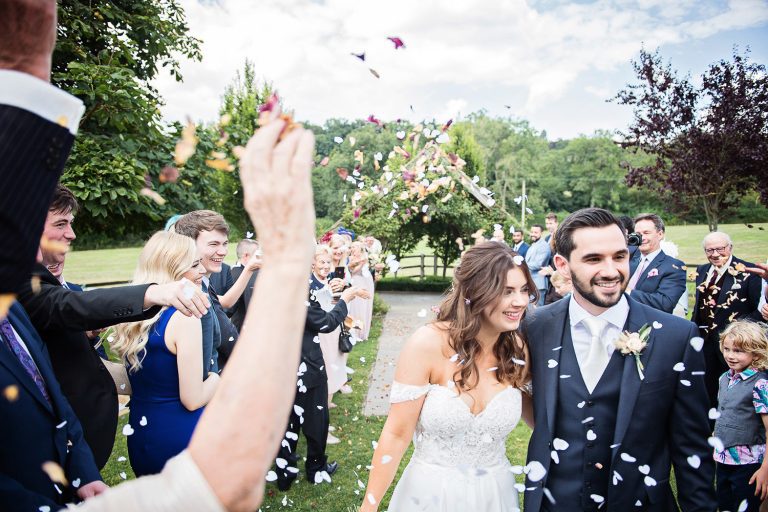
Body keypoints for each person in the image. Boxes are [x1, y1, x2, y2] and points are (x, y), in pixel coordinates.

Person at [3, 3, 315, 510]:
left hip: (93, 460)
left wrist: (80, 470)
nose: (73, 236)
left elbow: (56, 365)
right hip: (171, 437)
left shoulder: (15, 298)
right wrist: (290, 253)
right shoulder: (179, 311)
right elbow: (230, 480)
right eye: (60, 224)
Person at [524, 207, 716, 511]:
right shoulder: (534, 328)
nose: (611, 270)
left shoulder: (676, 337)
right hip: (554, 502)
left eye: (619, 256)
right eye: (593, 259)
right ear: (562, 264)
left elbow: (693, 450)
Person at [16, 184, 211, 469]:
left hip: (106, 441)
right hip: (51, 446)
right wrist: (154, 293)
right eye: (61, 224)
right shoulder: (19, 281)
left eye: (70, 223)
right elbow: (67, 305)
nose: (71, 234)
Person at [360, 241, 535, 512]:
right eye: (507, 291)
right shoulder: (427, 344)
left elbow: (542, 421)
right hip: (430, 494)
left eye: (524, 290)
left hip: (495, 495)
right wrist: (368, 508)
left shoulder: (517, 349)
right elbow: (396, 434)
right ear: (476, 292)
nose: (520, 301)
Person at [111, 231, 220, 477]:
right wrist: (217, 379)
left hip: (143, 433)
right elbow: (192, 398)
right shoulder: (184, 317)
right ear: (172, 270)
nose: (202, 270)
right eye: (194, 265)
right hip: (181, 436)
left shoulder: (134, 315)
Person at [274, 245, 368, 490]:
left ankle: (284, 473)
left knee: (286, 421)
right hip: (308, 365)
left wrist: (326, 291)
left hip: (282, 366)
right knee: (317, 420)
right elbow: (324, 322)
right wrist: (345, 300)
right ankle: (316, 469)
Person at [173, 210, 257, 372]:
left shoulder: (204, 283)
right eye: (213, 244)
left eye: (225, 244)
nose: (223, 251)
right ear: (188, 246)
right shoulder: (186, 294)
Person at [692, 231, 764, 407]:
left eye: (720, 249)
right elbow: (699, 307)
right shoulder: (702, 271)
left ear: (730, 248)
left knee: (733, 391)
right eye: (710, 250)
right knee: (706, 388)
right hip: (705, 342)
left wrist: (737, 332)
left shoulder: (748, 272)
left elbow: (758, 311)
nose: (715, 254)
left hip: (735, 346)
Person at [713, 321, 768, 511]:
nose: (730, 355)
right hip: (724, 459)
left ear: (756, 352)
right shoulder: (724, 378)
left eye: (738, 351)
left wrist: (765, 470)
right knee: (725, 505)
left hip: (749, 463)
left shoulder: (760, 384)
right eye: (726, 349)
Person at [626, 213, 686, 313]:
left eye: (646, 233)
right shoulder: (628, 259)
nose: (642, 238)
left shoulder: (674, 267)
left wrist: (627, 292)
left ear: (660, 234)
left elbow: (665, 303)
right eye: (638, 234)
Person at [228, 239, 260, 332]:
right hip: (241, 328)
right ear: (246, 256)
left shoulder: (239, 272)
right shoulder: (236, 275)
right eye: (257, 255)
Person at [348, 241, 375, 340]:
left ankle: (363, 332)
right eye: (352, 246)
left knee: (364, 306)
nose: (354, 248)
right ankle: (354, 332)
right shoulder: (350, 259)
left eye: (356, 246)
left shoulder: (366, 257)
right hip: (355, 281)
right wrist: (360, 263)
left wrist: (364, 262)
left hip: (366, 282)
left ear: (360, 248)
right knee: (356, 306)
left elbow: (369, 270)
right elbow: (353, 272)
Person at [525, 224, 551, 306]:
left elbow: (538, 264)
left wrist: (522, 264)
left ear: (541, 233)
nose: (533, 234)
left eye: (536, 232)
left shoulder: (544, 245)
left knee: (537, 311)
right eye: (532, 232)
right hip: (531, 282)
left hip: (539, 284)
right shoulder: (534, 245)